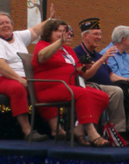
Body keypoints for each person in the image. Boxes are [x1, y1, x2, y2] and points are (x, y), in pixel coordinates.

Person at [73, 18, 129, 146]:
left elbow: (112, 76)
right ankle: (118, 131)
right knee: (117, 91)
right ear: (85, 35)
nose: (99, 37)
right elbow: (84, 76)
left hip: (107, 85)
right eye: (95, 34)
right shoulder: (77, 52)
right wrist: (102, 60)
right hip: (89, 86)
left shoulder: (98, 55)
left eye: (100, 34)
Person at [0, 7, 55, 141]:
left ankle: (56, 129)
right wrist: (21, 80)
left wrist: (49, 20)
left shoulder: (18, 37)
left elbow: (36, 30)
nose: (5, 25)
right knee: (17, 88)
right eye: (1, 23)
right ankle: (27, 131)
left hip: (18, 77)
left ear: (12, 24)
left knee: (44, 86)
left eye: (7, 22)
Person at [32, 19, 110, 147]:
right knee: (82, 93)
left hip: (70, 87)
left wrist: (84, 67)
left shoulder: (68, 50)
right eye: (58, 31)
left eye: (64, 31)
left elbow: (82, 73)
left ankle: (78, 127)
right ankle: (91, 133)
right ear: (49, 32)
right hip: (50, 88)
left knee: (101, 96)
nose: (63, 34)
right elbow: (42, 56)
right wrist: (59, 42)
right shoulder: (43, 45)